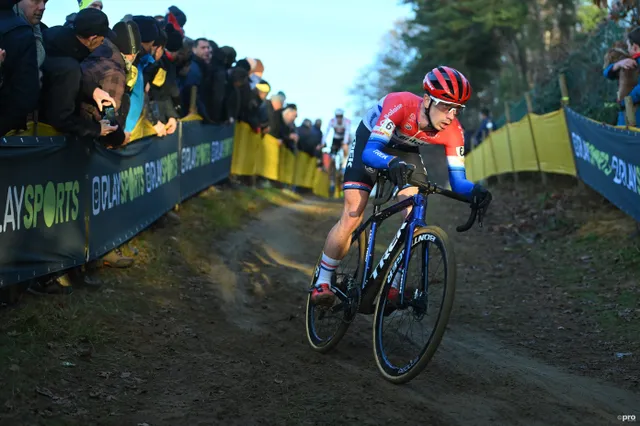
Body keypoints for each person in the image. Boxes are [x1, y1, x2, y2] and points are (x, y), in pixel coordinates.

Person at [310, 66, 492, 307]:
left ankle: (393, 284)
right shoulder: (400, 104)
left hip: (405, 151)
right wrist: (390, 163)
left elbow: (458, 181)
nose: (451, 114)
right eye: (446, 106)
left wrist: (475, 191)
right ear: (427, 100)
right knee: (354, 212)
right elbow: (370, 152)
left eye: (457, 108)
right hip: (372, 142)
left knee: (414, 216)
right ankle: (322, 281)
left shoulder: (453, 131)